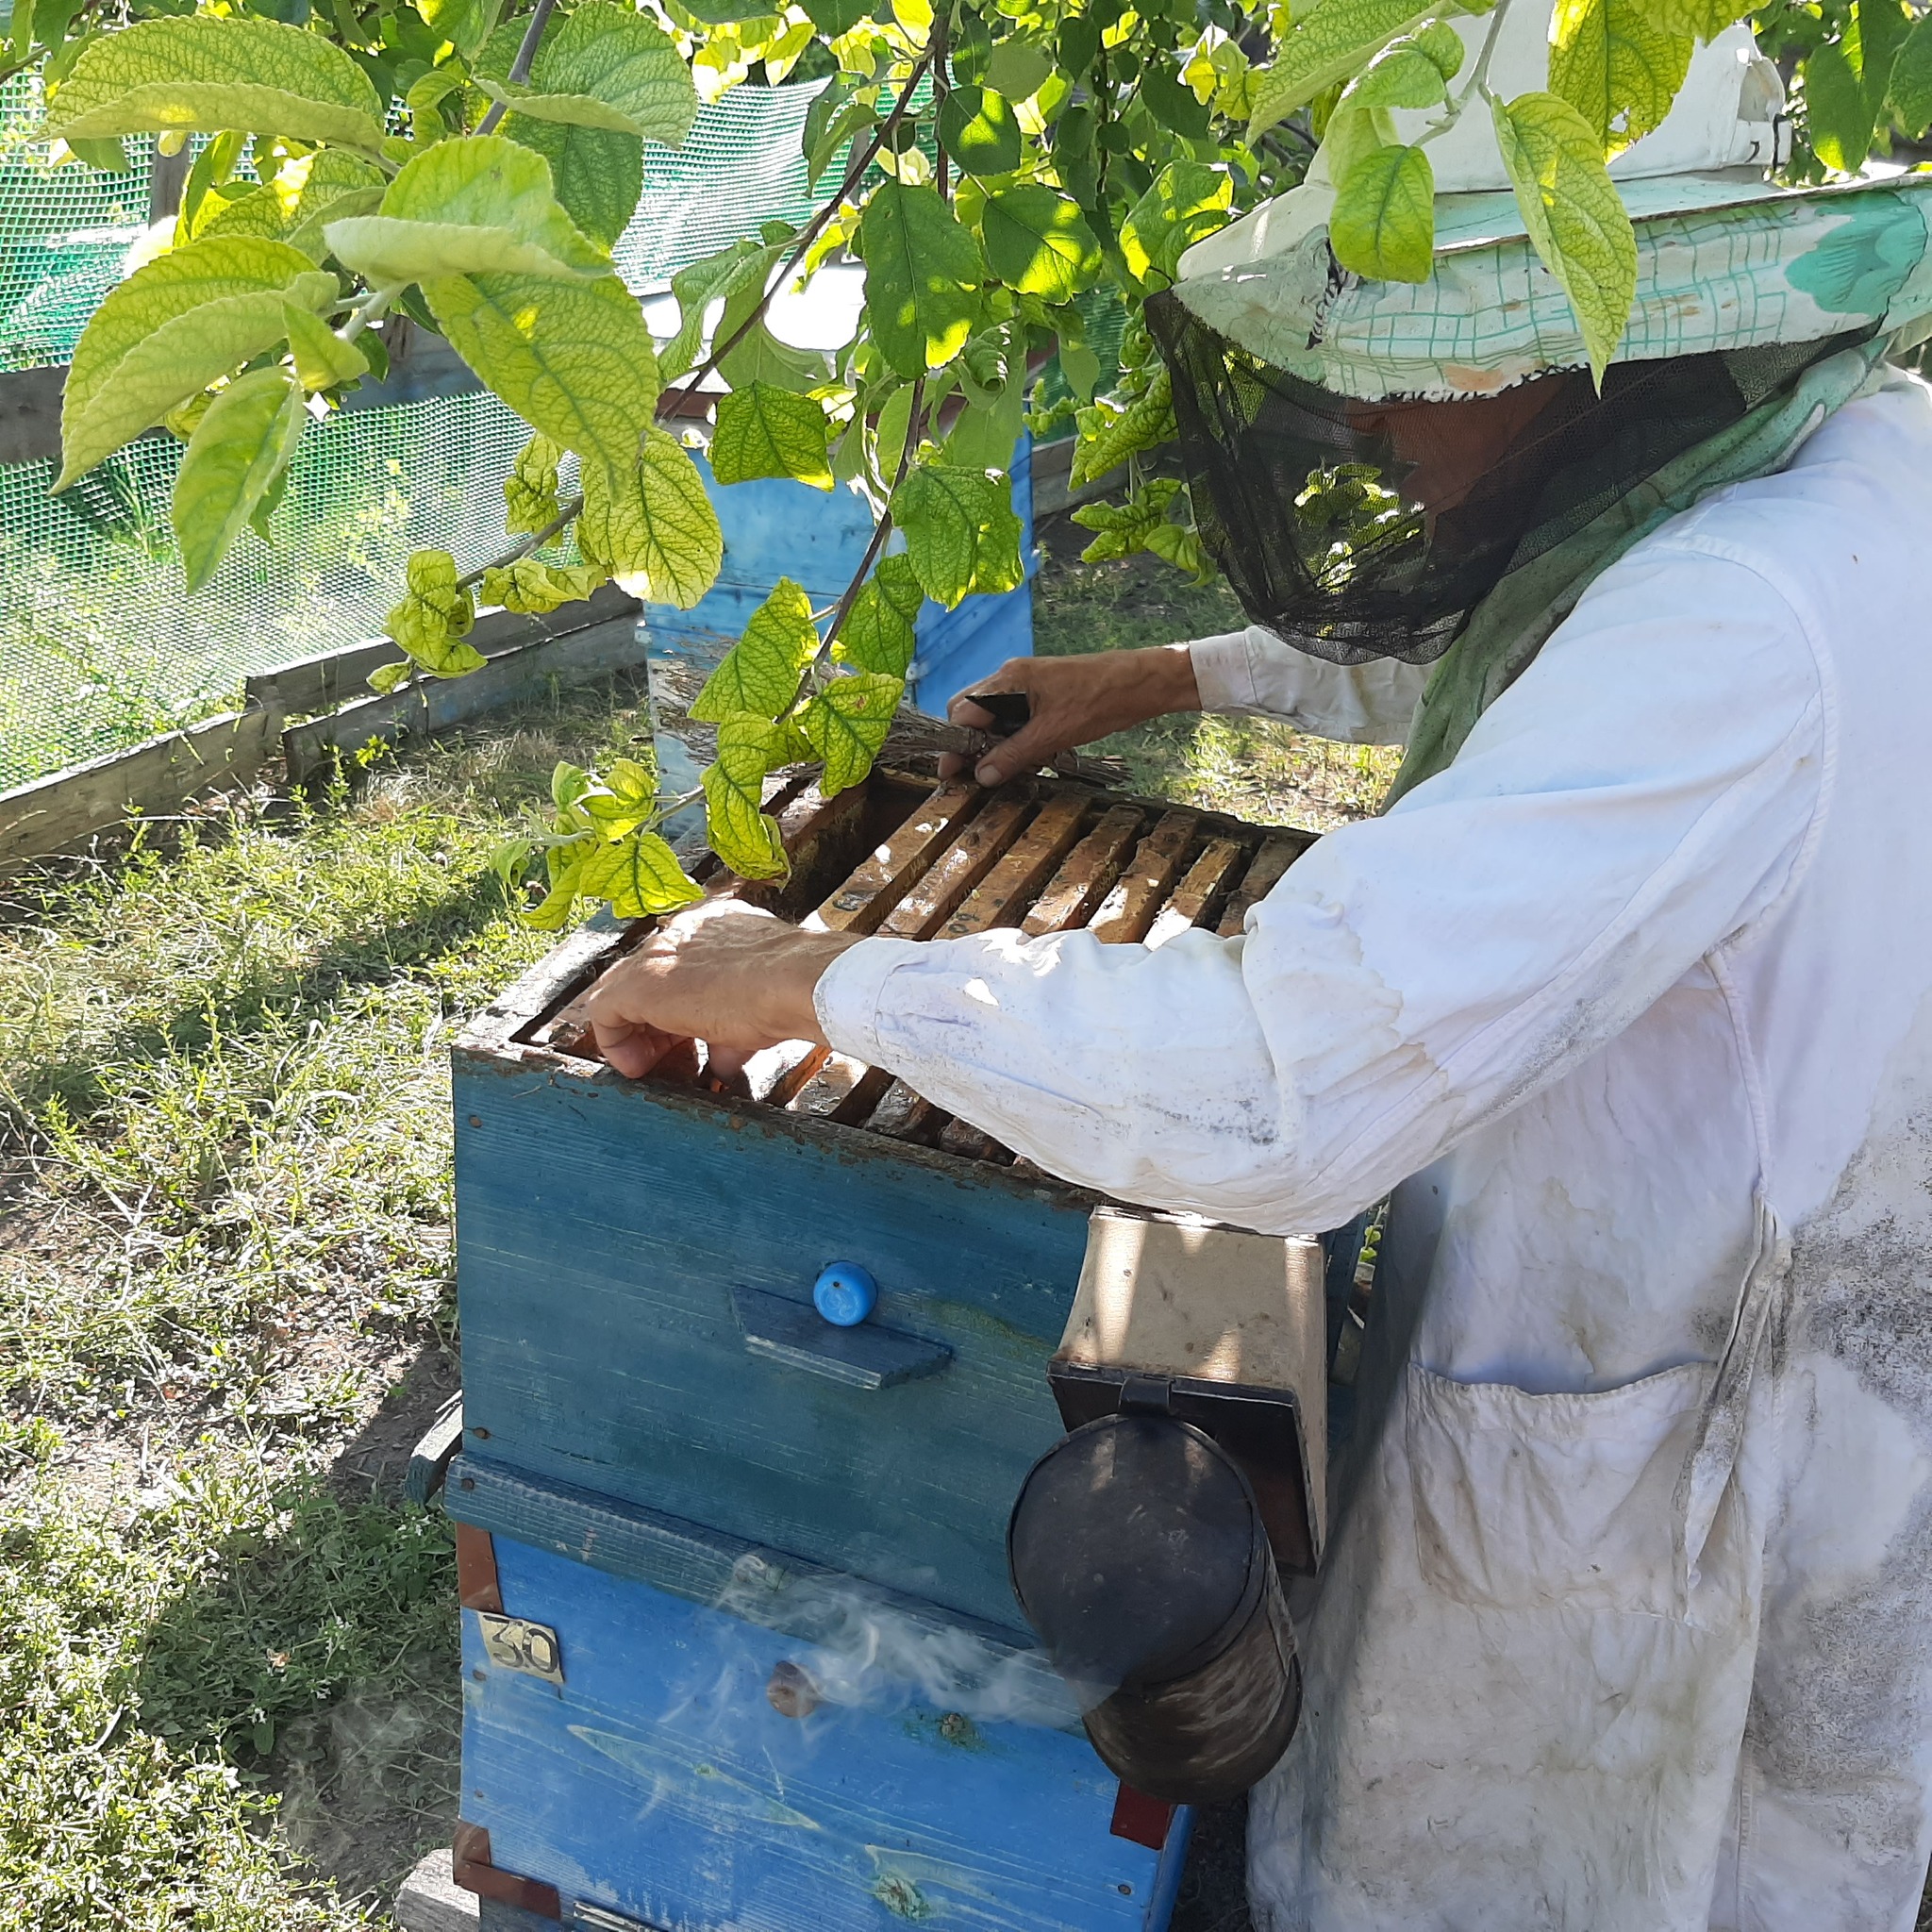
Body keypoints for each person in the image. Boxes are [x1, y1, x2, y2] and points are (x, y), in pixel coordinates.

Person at [584, 22, 1932, 1931]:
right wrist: (1162, 677)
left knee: (1583, 1870)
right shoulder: (1833, 466)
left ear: (1590, 346)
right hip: (1738, 1340)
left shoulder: (1733, 625)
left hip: (1675, 1464)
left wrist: (811, 978)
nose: (1365, 421)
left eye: (1407, 360)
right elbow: (1535, 644)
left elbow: (1283, 1086)